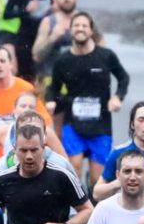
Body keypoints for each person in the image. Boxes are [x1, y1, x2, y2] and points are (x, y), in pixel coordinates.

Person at [49, 12, 129, 183]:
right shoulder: (63, 60)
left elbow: (123, 77)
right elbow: (53, 89)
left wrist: (117, 97)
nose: (80, 29)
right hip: (73, 123)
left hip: (100, 124)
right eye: (76, 26)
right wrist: (53, 102)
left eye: (84, 26)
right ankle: (78, 206)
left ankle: (92, 199)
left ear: (91, 31)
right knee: (74, 166)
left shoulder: (106, 56)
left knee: (97, 179)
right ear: (70, 30)